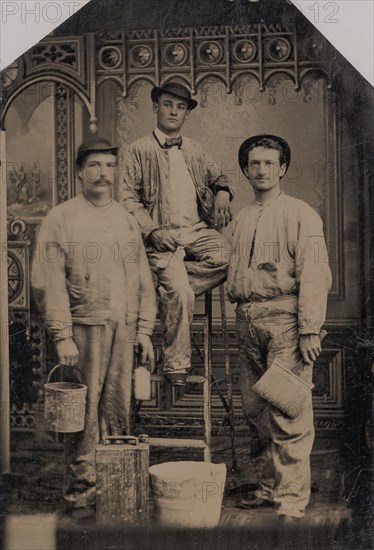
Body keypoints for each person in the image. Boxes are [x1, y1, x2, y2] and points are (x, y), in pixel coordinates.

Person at [32, 137, 156, 520]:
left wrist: (145, 329)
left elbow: (142, 277)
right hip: (84, 327)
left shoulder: (125, 218)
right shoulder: (62, 217)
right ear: (79, 172)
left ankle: (115, 487)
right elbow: (47, 279)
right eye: (94, 166)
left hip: (124, 327)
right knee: (83, 414)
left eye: (109, 166)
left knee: (119, 409)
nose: (103, 174)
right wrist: (62, 333)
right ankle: (81, 491)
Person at [227, 134, 332, 522]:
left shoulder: (301, 213)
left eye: (270, 163)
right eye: (254, 163)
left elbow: (316, 272)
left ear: (283, 168)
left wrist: (308, 328)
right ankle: (268, 487)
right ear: (245, 170)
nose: (262, 170)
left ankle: (291, 499)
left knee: (288, 412)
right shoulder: (239, 219)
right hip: (246, 320)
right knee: (255, 411)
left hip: (286, 322)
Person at [119, 82, 235, 385]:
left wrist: (222, 191)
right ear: (156, 106)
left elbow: (218, 176)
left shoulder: (196, 149)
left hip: (196, 233)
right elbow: (127, 199)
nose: (174, 111)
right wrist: (153, 230)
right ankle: (175, 365)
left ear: (186, 113)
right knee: (182, 292)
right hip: (163, 237)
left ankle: (166, 290)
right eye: (168, 104)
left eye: (180, 107)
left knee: (226, 256)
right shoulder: (137, 150)